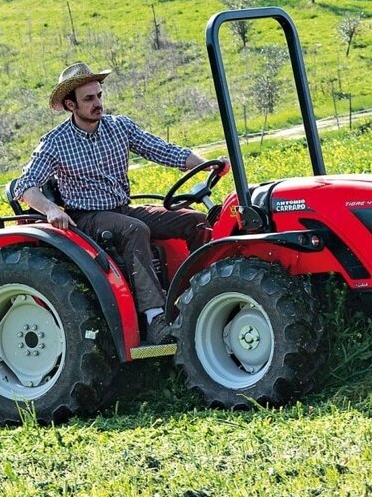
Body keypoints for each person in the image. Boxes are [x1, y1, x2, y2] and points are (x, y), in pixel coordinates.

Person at [12, 62, 224, 345]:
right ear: (69, 104)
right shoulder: (54, 143)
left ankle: (204, 296)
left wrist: (206, 165)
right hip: (87, 218)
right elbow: (24, 186)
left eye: (99, 95)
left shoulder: (119, 127)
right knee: (134, 229)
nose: (97, 103)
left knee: (195, 221)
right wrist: (51, 209)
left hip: (122, 208)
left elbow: (162, 150)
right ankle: (154, 318)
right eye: (89, 99)